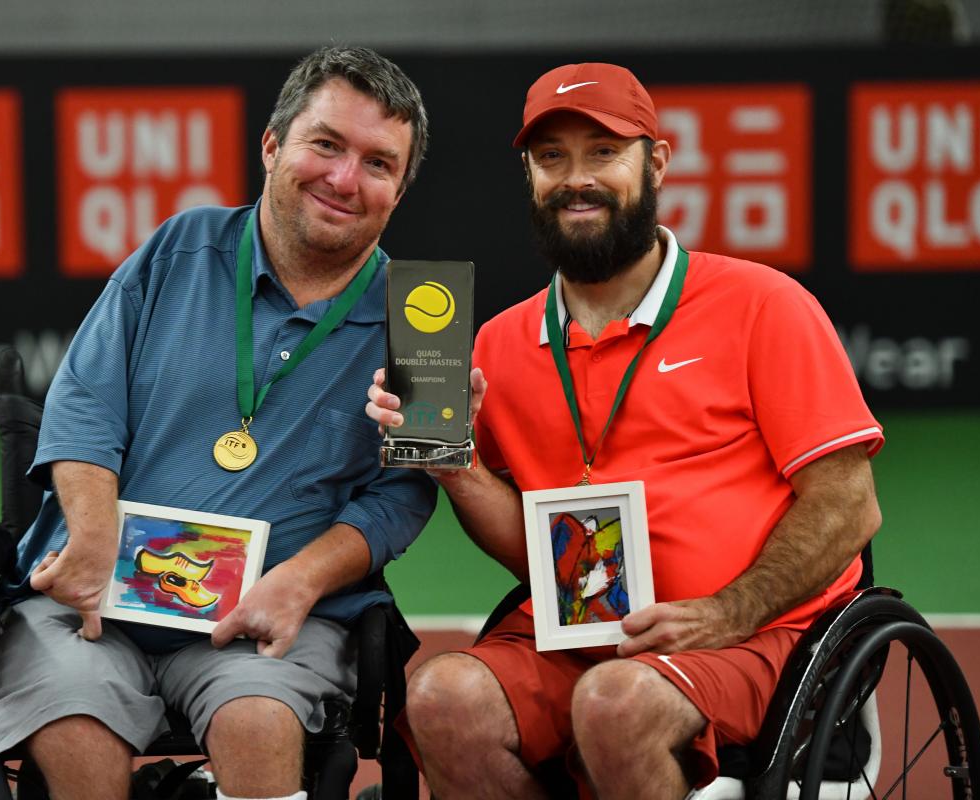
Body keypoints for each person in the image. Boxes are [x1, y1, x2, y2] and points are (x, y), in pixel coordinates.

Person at [366, 62, 883, 799]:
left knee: (614, 703)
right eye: (553, 158)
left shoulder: (763, 305)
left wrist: (725, 612)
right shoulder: (496, 346)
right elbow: (535, 554)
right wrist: (458, 467)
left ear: (658, 162)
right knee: (443, 699)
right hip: (586, 630)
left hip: (758, 635)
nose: (577, 178)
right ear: (530, 175)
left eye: (603, 152)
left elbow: (848, 506)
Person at [0, 46, 437, 800]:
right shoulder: (178, 249)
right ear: (273, 144)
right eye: (326, 144)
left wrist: (299, 581)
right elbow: (86, 403)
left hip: (270, 617)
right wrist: (90, 537)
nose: (346, 180)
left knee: (259, 724)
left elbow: (401, 495)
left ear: (400, 189)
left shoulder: (420, 320)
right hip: (96, 604)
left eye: (379, 164)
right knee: (75, 728)